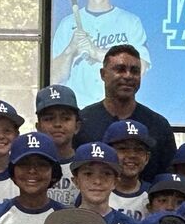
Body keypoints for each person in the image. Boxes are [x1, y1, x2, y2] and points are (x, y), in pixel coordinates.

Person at [50, 0, 151, 106]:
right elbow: (54, 78)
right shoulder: (66, 24)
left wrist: (96, 52)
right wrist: (70, 50)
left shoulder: (130, 22)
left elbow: (141, 67)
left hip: (118, 109)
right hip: (78, 111)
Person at [75, 45, 176, 183]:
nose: (128, 76)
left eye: (135, 71)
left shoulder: (158, 125)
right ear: (103, 74)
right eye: (120, 69)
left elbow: (168, 177)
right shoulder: (83, 122)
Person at [37, 85, 83, 207]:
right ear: (38, 127)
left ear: (77, 126)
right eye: (49, 118)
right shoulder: (28, 166)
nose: (57, 124)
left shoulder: (86, 165)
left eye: (66, 118)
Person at [103, 119, 154, 221]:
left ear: (147, 157)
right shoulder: (95, 191)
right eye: (122, 149)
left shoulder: (153, 195)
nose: (132, 155)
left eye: (139, 149)